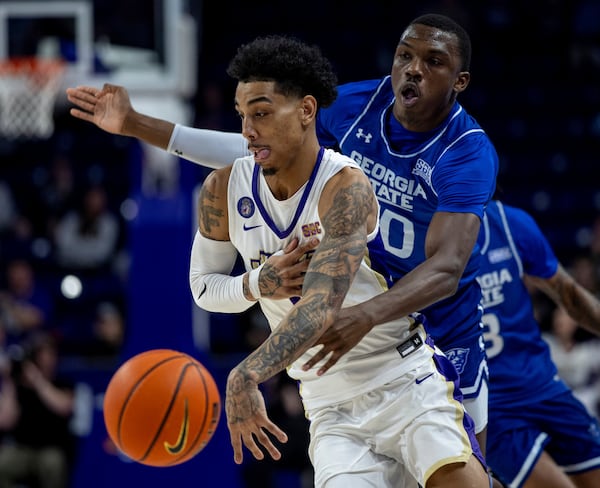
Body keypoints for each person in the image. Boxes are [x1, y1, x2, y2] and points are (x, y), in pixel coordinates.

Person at [66, 13, 499, 454]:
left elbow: (446, 270)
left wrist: (367, 314)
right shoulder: (356, 107)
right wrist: (137, 124)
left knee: (471, 469)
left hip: (434, 324)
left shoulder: (467, 152)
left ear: (459, 81)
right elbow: (258, 146)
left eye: (432, 61)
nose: (413, 68)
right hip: (358, 320)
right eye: (405, 55)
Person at [477, 199, 600, 487]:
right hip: (492, 403)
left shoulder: (510, 223)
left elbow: (568, 295)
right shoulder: (418, 238)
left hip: (543, 386)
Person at [0, 332, 76, 488]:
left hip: (50, 449)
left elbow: (65, 407)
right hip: (21, 449)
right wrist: (9, 383)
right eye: (40, 353)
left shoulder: (63, 383)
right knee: (3, 462)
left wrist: (38, 380)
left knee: (53, 464)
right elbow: (5, 421)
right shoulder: (19, 386)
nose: (45, 358)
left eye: (49, 353)